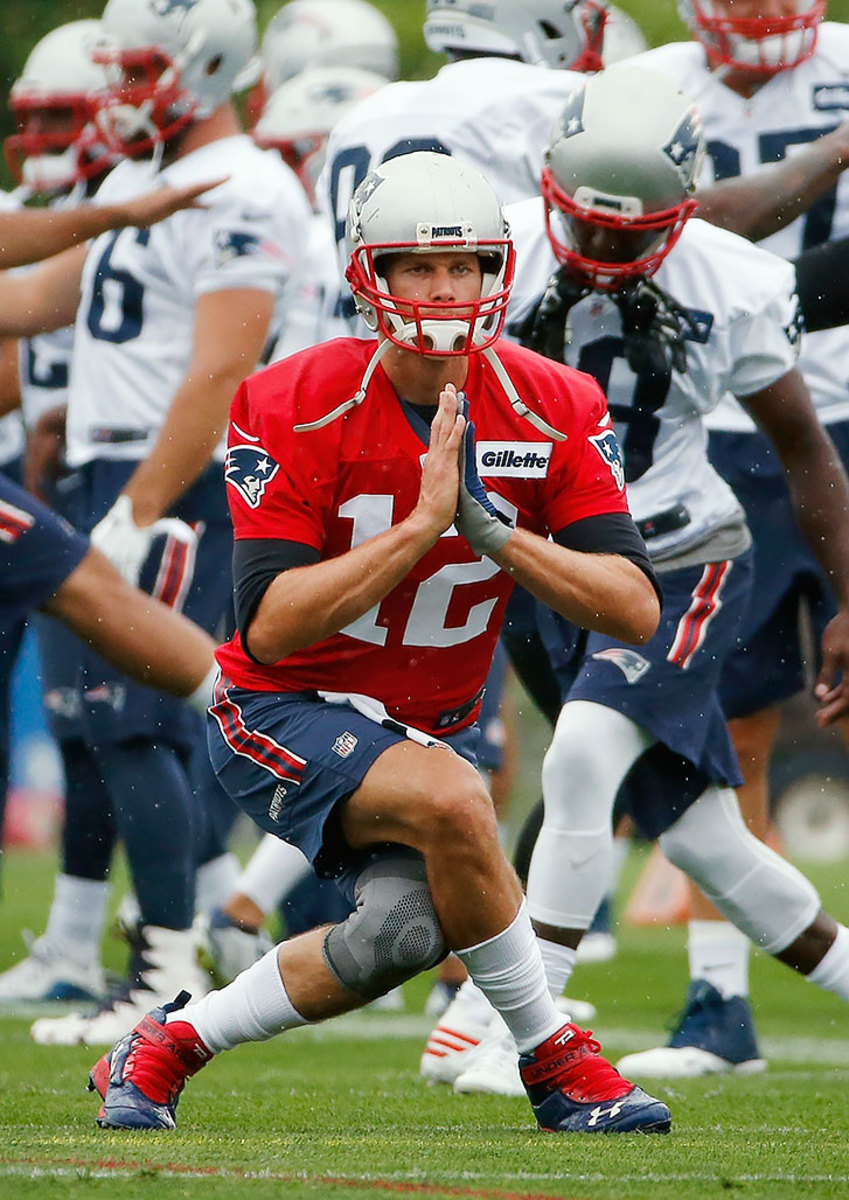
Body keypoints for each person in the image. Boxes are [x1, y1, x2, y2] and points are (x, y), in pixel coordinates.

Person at [85, 149, 672, 1137]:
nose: (444, 290)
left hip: (422, 729)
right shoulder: (289, 399)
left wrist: (501, 537)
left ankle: (167, 1044)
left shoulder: (553, 402)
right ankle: (556, 1063)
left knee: (400, 936)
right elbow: (268, 625)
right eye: (417, 267)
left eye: (465, 267)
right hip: (277, 709)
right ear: (371, 274)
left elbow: (635, 608)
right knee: (454, 795)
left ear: (499, 274)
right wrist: (417, 531)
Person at [446, 66, 849, 1097]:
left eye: (633, 239)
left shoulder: (734, 280)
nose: (606, 258)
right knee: (708, 839)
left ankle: (523, 1036)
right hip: (551, 566)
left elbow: (805, 453)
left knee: (579, 758)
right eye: (587, 231)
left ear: (685, 211)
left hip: (680, 560)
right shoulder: (493, 253)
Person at [14, 0, 311, 1049]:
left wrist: (140, 509)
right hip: (110, 465)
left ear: (211, 57)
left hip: (176, 479)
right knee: (104, 720)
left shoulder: (244, 184)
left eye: (143, 65)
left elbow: (223, 367)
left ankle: (172, 966)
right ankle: (178, 945)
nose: (126, 88)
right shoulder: (137, 182)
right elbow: (49, 297)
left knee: (140, 715)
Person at [613, 0, 849, 1077]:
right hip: (716, 426)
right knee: (725, 726)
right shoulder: (648, 84)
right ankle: (720, 1005)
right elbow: (686, 243)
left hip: (837, 413)